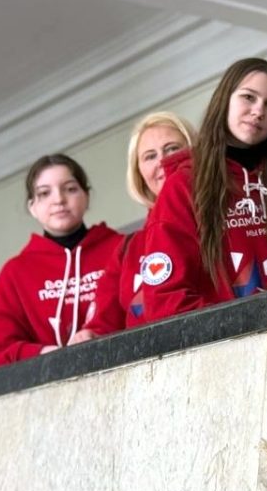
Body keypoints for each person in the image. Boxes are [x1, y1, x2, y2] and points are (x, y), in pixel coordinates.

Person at [141, 58, 267, 319]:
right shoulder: (183, 186)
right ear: (224, 100)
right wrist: (238, 325)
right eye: (248, 97)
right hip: (223, 340)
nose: (258, 111)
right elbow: (165, 298)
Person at [0, 154, 123, 369]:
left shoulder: (121, 248)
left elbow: (142, 312)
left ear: (87, 196)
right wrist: (47, 355)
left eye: (70, 189)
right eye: (44, 193)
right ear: (32, 207)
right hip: (45, 383)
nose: (59, 200)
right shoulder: (16, 272)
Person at [70, 112, 196, 341]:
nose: (162, 162)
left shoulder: (226, 220)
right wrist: (88, 335)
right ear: (139, 173)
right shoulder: (128, 249)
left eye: (172, 149)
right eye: (150, 156)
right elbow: (101, 325)